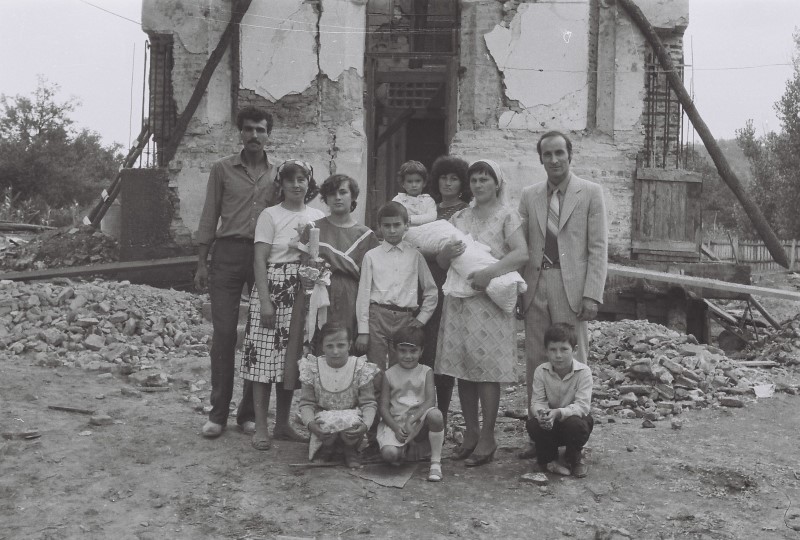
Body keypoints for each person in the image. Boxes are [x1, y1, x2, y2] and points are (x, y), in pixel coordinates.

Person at [435, 159, 528, 467]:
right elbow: (443, 261)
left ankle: (488, 436)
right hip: (461, 300)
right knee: (465, 367)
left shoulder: (507, 216)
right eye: (474, 180)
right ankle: (471, 433)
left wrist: (490, 273)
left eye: (484, 179)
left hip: (491, 300)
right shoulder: (460, 217)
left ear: (496, 184)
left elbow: (522, 253)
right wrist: (445, 254)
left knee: (487, 370)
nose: (478, 185)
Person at [518, 131, 607, 438]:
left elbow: (598, 248)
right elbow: (520, 245)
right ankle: (539, 435)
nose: (554, 159)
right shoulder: (529, 195)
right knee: (536, 361)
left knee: (573, 361)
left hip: (572, 289)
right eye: (548, 154)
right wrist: (517, 289)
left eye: (559, 153)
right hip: (535, 285)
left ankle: (572, 435)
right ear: (540, 158)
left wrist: (592, 294)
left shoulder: (590, 192)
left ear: (570, 155)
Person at [195, 106, 278, 439]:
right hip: (227, 254)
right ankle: (218, 414)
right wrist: (202, 261)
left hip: (264, 257)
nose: (254, 135)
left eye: (260, 129)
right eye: (248, 129)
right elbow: (209, 215)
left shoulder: (279, 173)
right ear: (240, 133)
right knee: (225, 333)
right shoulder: (222, 169)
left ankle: (248, 414)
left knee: (258, 336)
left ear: (268, 134)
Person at [240, 159, 324, 450]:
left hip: (302, 289)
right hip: (274, 288)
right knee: (264, 360)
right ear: (282, 184)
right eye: (290, 180)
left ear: (309, 183)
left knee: (291, 360)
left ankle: (283, 424)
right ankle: (262, 427)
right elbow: (259, 260)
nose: (296, 185)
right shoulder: (270, 215)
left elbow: (317, 256)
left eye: (302, 179)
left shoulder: (316, 216)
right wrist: (265, 301)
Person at [355, 202, 438, 372]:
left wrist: (422, 318)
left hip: (405, 319)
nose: (392, 230)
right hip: (377, 317)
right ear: (379, 227)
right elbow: (363, 294)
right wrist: (363, 330)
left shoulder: (415, 255)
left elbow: (431, 290)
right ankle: (377, 390)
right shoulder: (371, 256)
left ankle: (396, 391)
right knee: (375, 368)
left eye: (397, 225)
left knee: (400, 368)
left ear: (406, 225)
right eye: (387, 226)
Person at [422, 155, 472, 425]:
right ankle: (421, 410)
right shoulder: (427, 209)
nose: (448, 183)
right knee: (423, 346)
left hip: (450, 283)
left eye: (454, 178)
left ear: (462, 183)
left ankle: (441, 411)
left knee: (444, 348)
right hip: (423, 282)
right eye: (443, 177)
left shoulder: (466, 212)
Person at [311, 174, 380, 352]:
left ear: (353, 196)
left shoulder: (365, 235)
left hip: (351, 296)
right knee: (318, 344)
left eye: (343, 192)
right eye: (332, 193)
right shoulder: (313, 228)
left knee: (345, 345)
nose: (337, 197)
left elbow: (372, 278)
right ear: (325, 198)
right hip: (319, 292)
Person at [298, 321, 380, 468]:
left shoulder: (360, 367)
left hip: (351, 419)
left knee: (351, 421)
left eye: (341, 345)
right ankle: (326, 448)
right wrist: (311, 425)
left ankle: (350, 450)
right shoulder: (312, 367)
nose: (335, 351)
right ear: (322, 346)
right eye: (329, 346)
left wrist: (365, 425)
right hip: (323, 418)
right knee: (323, 422)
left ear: (349, 345)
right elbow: (306, 403)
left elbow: (368, 403)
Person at [377, 326, 445, 482]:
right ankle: (404, 450)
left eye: (413, 351)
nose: (408, 356)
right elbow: (383, 407)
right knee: (389, 455)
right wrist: (395, 427)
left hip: (419, 421)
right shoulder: (389, 374)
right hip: (397, 423)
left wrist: (412, 420)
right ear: (395, 350)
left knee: (436, 415)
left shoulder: (426, 371)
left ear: (421, 351)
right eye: (403, 351)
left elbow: (430, 401)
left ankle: (435, 462)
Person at [526, 323, 593, 478]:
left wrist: (558, 412)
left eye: (564, 349)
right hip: (551, 424)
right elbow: (537, 401)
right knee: (533, 424)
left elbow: (582, 406)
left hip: (573, 423)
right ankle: (548, 460)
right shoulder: (541, 371)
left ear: (574, 350)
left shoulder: (584, 372)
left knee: (576, 424)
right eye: (553, 350)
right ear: (546, 351)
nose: (558, 355)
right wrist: (542, 414)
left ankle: (574, 459)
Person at [392, 160, 437, 226]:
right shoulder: (398, 200)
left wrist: (411, 219)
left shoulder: (428, 200)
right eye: (409, 181)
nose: (414, 185)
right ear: (403, 184)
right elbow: (393, 216)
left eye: (418, 181)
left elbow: (432, 216)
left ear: (424, 183)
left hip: (425, 230)